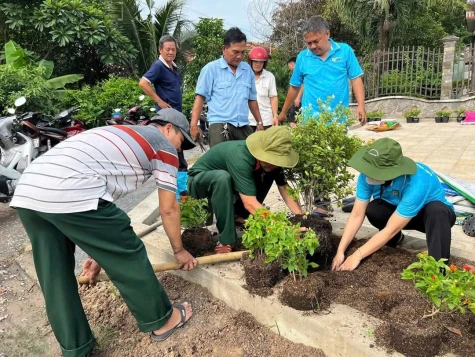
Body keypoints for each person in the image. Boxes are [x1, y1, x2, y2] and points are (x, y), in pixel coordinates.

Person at [10, 109, 198, 356]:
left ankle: (77, 347)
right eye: (181, 141)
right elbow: (169, 208)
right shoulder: (162, 145)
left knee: (54, 274)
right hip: (69, 190)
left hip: (29, 191)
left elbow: (99, 205)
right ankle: (162, 320)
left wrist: (100, 256)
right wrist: (179, 250)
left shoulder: (117, 133)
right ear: (168, 128)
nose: (179, 150)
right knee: (128, 252)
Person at [331, 138, 456, 272]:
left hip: (429, 218)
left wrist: (357, 255)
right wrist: (340, 251)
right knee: (374, 209)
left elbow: (391, 228)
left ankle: (438, 270)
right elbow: (356, 215)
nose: (369, 174)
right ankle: (395, 240)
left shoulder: (417, 181)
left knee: (436, 211)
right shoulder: (366, 175)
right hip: (399, 211)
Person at [187, 126, 301, 253]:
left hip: (229, 184)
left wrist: (301, 219)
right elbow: (250, 203)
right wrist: (282, 227)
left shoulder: (272, 164)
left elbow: (284, 188)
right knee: (222, 178)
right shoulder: (241, 157)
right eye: (271, 158)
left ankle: (237, 216)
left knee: (268, 172)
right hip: (199, 181)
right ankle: (226, 239)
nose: (273, 163)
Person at [277, 15, 367, 125]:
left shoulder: (345, 51)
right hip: (310, 122)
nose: (313, 46)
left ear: (327, 34)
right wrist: (283, 112)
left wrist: (361, 106)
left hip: (338, 120)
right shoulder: (303, 57)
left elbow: (356, 79)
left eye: (316, 41)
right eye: (309, 43)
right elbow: (294, 87)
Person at [189, 27, 265, 147]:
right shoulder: (211, 69)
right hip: (219, 126)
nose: (239, 56)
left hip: (243, 125)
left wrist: (259, 122)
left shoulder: (247, 70)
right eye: (235, 52)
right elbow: (200, 97)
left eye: (242, 52)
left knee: (247, 161)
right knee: (220, 163)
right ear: (224, 49)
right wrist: (194, 125)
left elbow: (252, 99)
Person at [139, 34, 189, 198]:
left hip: (175, 117)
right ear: (161, 50)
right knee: (173, 154)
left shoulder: (172, 67)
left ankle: (181, 192)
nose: (171, 52)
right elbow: (143, 82)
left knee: (178, 153)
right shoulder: (158, 66)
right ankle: (177, 195)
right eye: (167, 49)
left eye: (173, 49)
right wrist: (159, 100)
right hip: (167, 119)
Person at [247, 46, 279, 130]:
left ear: (264, 63)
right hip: (248, 120)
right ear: (251, 62)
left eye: (260, 62)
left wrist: (275, 115)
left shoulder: (269, 76)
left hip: (266, 119)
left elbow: (273, 97)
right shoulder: (244, 75)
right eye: (255, 61)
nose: (257, 64)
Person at [286, 56, 303, 127]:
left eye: (289, 66)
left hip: (299, 100)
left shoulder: (301, 72)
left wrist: (298, 98)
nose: (289, 68)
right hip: (297, 99)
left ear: (292, 64)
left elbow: (302, 84)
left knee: (293, 121)